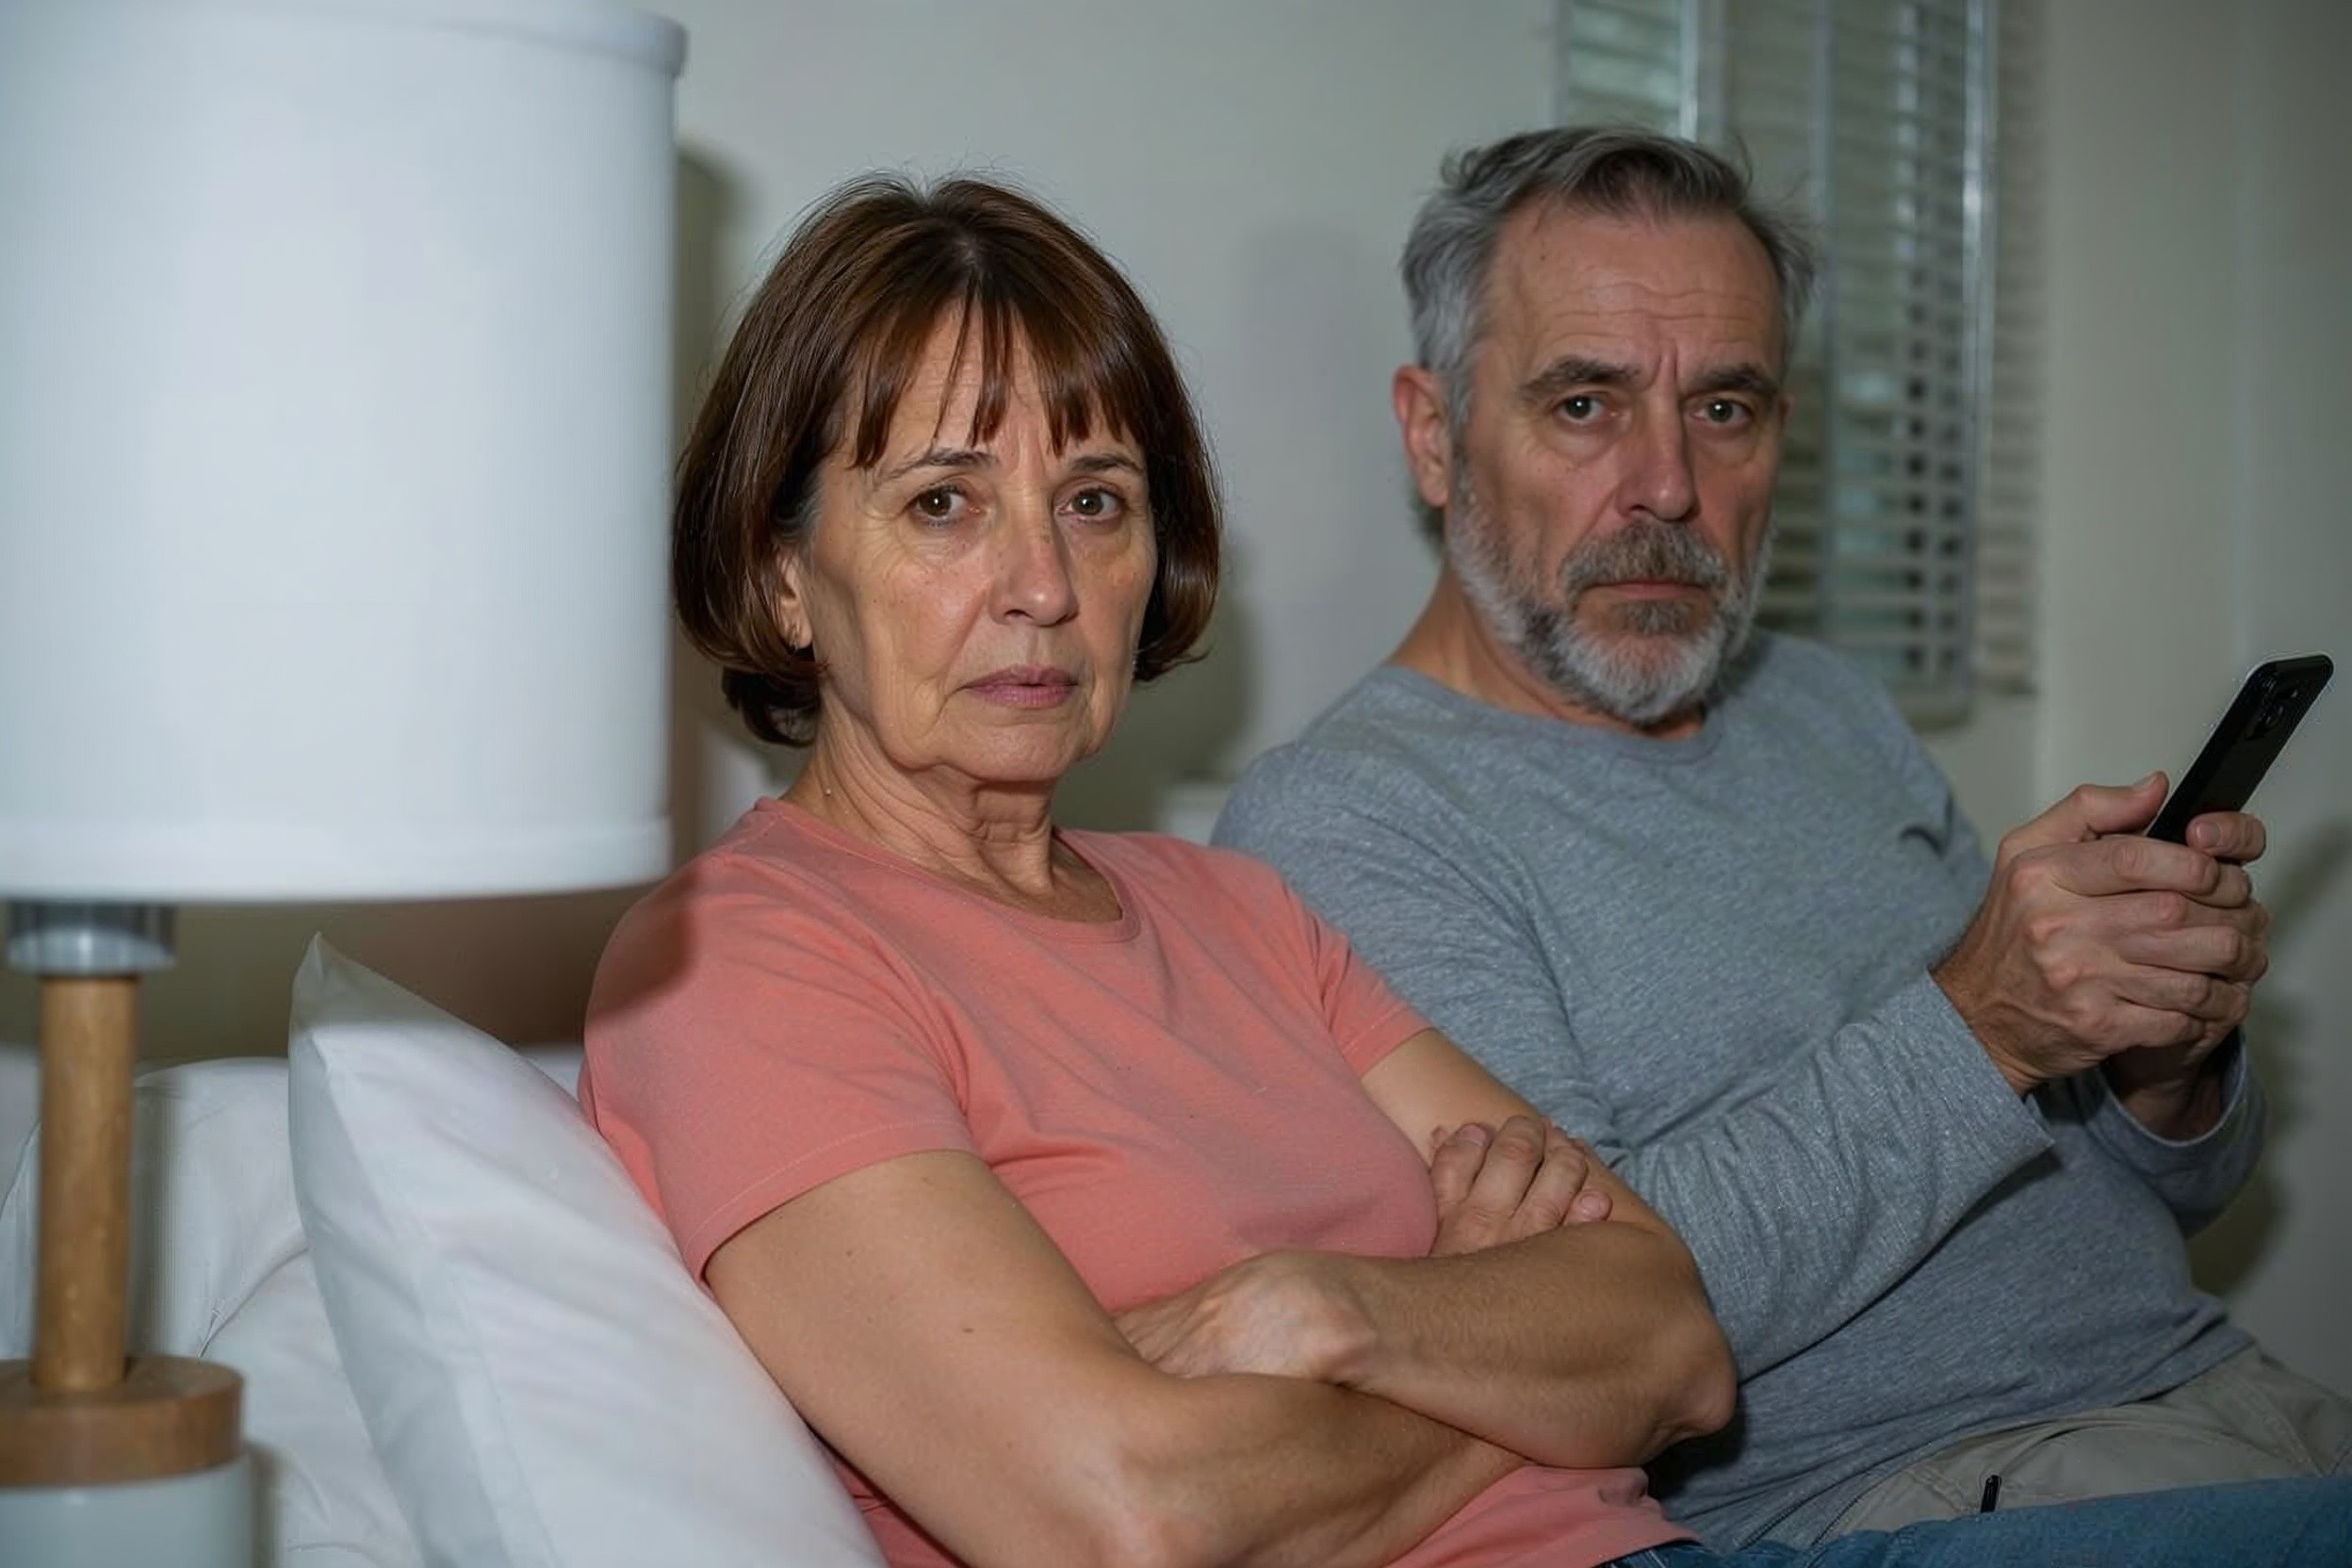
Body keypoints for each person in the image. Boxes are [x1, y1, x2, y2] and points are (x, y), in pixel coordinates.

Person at [581, 171, 2352, 1568]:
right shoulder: (748, 959)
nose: (1042, 585)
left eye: (1098, 499)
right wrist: (1492, 1350)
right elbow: (1131, 1514)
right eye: (943, 504)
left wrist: (1334, 1318)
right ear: (784, 572)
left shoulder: (1229, 908)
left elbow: (1667, 1337)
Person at [1214, 123, 2352, 1552]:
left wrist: (2162, 1060)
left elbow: (2169, 1196)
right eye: (1585, 404)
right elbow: (1590, 1320)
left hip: (2231, 1394)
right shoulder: (1350, 820)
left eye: (1725, 407)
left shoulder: (1825, 704)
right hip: (1920, 1490)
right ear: (1435, 434)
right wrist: (1985, 1028)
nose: (1668, 485)